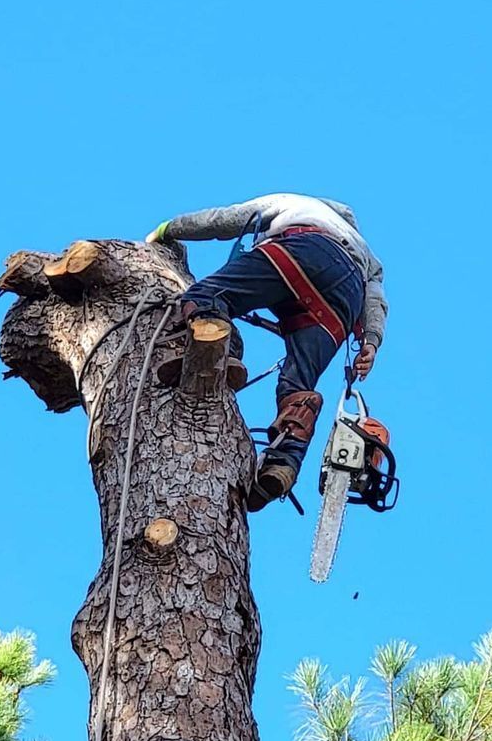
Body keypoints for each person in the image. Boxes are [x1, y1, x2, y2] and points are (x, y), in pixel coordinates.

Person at [147, 193, 388, 510]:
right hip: (344, 301)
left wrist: (167, 230)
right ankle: (282, 461)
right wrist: (370, 341)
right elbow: (375, 299)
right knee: (297, 386)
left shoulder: (293, 203)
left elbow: (224, 220)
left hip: (303, 251)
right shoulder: (365, 252)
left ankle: (208, 360)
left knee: (206, 296)